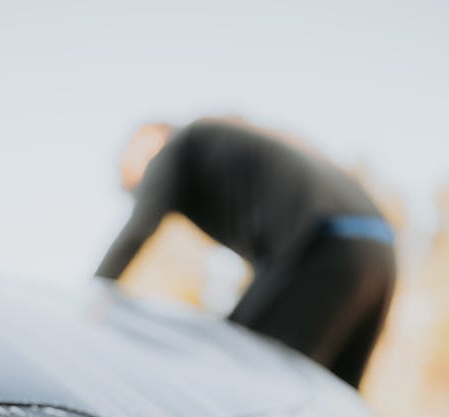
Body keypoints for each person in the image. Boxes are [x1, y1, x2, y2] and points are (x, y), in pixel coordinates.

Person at [96, 119, 396, 388]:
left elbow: (138, 229)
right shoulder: (224, 152)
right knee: (335, 404)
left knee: (233, 378)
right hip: (380, 254)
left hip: (323, 243)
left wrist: (93, 299)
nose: (131, 181)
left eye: (129, 161)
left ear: (151, 142)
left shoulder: (178, 144)